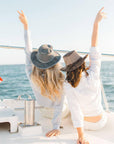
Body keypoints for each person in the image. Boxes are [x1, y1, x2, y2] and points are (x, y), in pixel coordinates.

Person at [61, 7, 107, 144]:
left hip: (88, 126)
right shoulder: (94, 73)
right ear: (82, 63)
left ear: (68, 70)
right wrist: (96, 23)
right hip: (101, 121)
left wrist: (81, 136)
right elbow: (94, 48)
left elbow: (76, 112)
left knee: (70, 109)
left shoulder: (68, 85)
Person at [17, 10, 65, 137]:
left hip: (44, 112)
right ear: (54, 61)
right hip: (59, 114)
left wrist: (26, 26)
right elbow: (60, 105)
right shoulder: (61, 77)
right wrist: (56, 126)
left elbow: (27, 50)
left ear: (37, 60)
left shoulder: (31, 75)